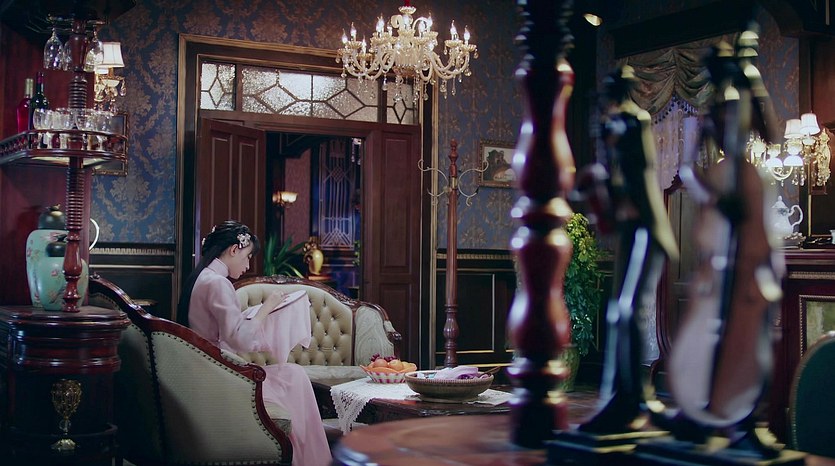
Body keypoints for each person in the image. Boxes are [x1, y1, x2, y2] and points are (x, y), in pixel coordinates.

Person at [178, 220, 331, 466]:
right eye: (247, 257)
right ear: (233, 250)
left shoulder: (202, 277)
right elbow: (240, 339)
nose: (248, 265)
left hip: (205, 369)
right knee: (295, 377)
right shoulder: (218, 283)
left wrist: (251, 316)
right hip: (219, 376)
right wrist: (266, 308)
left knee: (293, 375)